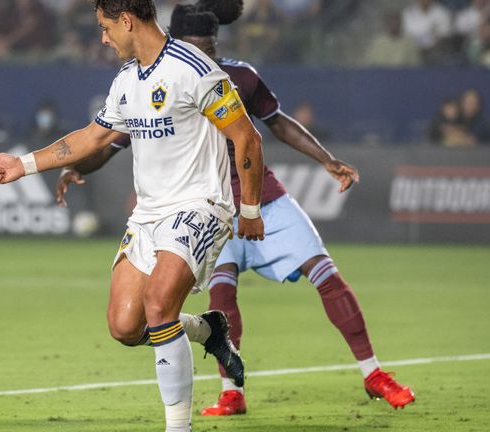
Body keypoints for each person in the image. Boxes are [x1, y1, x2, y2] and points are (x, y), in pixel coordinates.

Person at [55, 0, 415, 417]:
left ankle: (373, 373)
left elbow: (276, 123)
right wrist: (76, 167)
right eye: (195, 45)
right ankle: (232, 391)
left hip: (262, 197)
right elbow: (110, 140)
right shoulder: (159, 78)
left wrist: (326, 159)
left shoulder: (236, 76)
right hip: (204, 208)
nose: (203, 54)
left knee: (325, 272)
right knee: (221, 293)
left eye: (209, 46)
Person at [0, 1, 265, 430]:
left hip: (200, 205)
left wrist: (250, 209)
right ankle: (209, 330)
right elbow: (93, 137)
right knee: (125, 326)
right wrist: (25, 164)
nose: (103, 38)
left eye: (105, 27)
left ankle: (178, 426)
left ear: (127, 20)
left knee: (158, 305)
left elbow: (247, 137)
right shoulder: (127, 80)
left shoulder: (195, 69)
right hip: (149, 214)